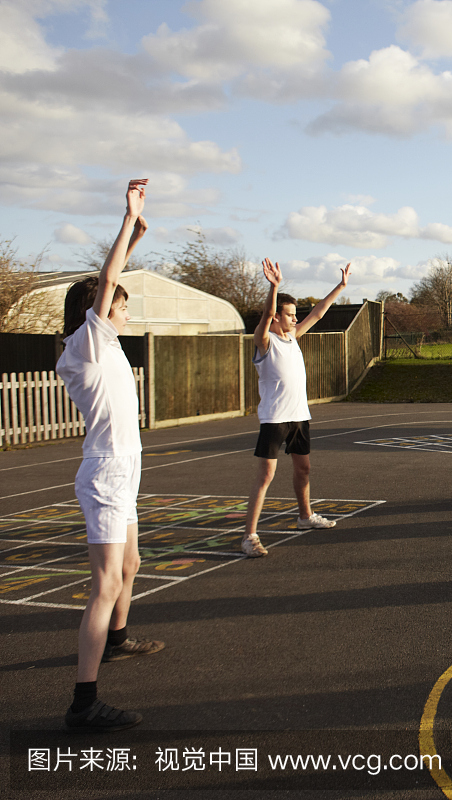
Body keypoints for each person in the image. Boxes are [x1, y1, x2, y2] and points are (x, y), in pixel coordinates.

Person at [57, 179, 163, 732]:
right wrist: (128, 219)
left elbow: (109, 283)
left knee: (131, 566)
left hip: (123, 469)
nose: (123, 310)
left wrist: (137, 238)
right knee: (105, 584)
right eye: (120, 306)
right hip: (105, 472)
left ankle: (118, 640)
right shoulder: (88, 343)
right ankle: (83, 701)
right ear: (95, 312)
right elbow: (106, 281)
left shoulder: (103, 344)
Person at [241, 258, 351, 558]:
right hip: (275, 418)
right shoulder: (264, 342)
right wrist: (274, 287)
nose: (294, 318)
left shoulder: (293, 337)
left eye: (294, 314)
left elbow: (318, 313)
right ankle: (250, 535)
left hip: (299, 416)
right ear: (276, 318)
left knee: (304, 468)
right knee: (266, 475)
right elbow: (265, 315)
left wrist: (340, 286)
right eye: (288, 314)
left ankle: (305, 517)